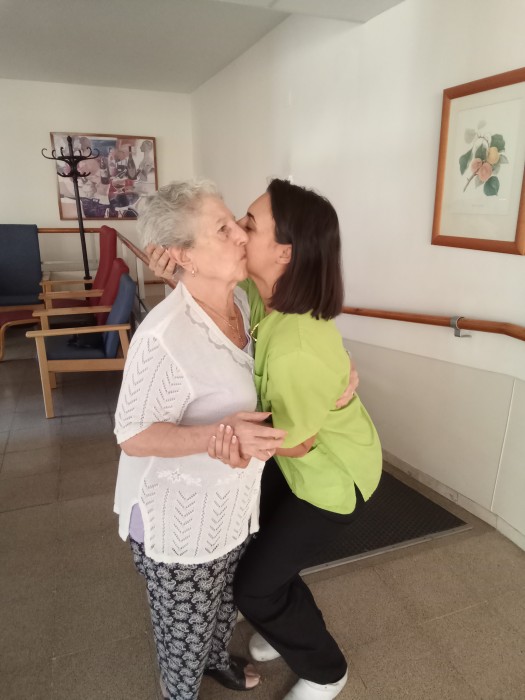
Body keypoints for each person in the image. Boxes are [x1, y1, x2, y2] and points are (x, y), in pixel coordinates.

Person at [113, 178, 287, 700]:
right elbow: (133, 435)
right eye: (223, 229)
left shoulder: (242, 304)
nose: (241, 235)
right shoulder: (165, 336)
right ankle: (182, 690)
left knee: (222, 605)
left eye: (236, 223)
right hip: (180, 522)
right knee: (183, 637)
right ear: (183, 255)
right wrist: (219, 433)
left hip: (232, 505)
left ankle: (217, 661)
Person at [210, 179, 383, 700]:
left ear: (284, 252)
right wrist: (177, 259)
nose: (236, 230)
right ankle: (285, 625)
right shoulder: (264, 298)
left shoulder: (295, 346)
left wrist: (221, 438)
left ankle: (327, 672)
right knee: (263, 556)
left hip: (332, 479)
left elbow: (298, 443)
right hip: (299, 461)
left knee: (255, 586)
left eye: (249, 224)